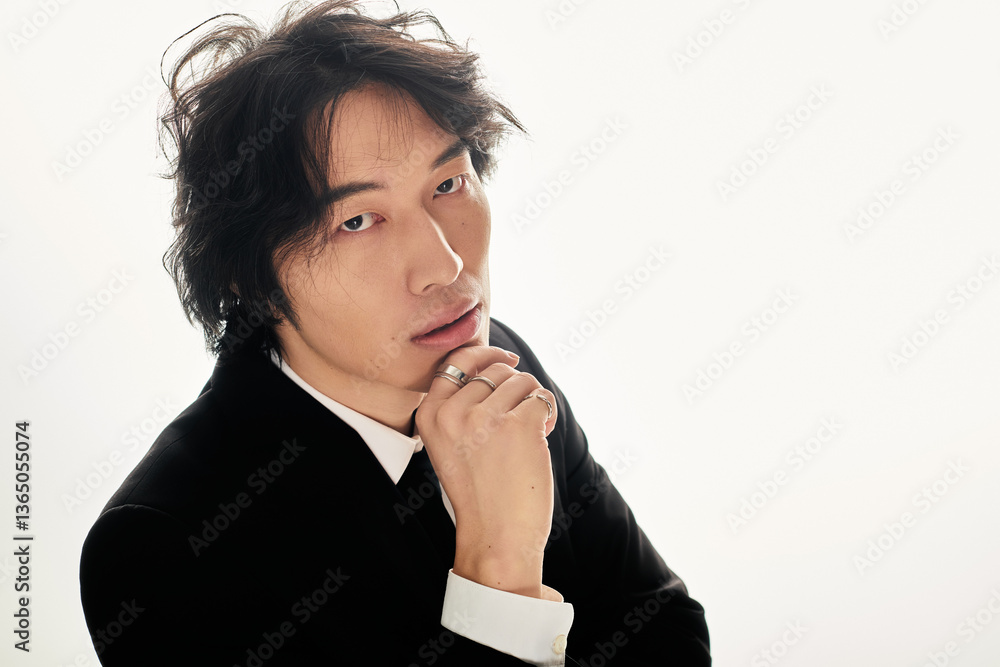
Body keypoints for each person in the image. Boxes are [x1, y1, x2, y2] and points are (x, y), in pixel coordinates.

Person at [78, 1, 711, 664]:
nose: (446, 264)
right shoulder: (164, 545)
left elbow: (670, 635)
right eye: (358, 221)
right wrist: (501, 570)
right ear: (251, 278)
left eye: (449, 182)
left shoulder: (498, 369)